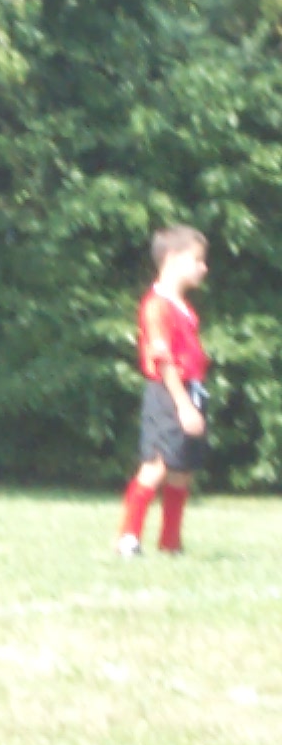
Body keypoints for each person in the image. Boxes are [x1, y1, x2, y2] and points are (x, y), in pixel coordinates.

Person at [116, 225, 210, 557]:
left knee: (182, 470)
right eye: (197, 260)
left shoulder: (183, 306)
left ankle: (170, 542)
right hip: (168, 393)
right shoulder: (157, 305)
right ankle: (128, 537)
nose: (203, 268)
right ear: (171, 258)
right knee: (157, 465)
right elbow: (163, 359)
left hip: (190, 390)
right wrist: (183, 406)